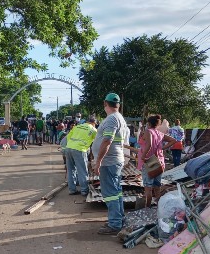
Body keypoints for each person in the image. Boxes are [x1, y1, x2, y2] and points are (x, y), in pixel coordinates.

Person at [91, 92, 130, 235]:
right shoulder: (119, 117)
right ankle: (119, 219)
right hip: (115, 160)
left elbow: (107, 140)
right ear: (118, 105)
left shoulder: (112, 119)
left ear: (105, 104)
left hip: (109, 161)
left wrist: (98, 162)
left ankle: (114, 224)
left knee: (111, 193)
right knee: (116, 191)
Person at [138, 115, 177, 207]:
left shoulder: (148, 131)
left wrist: (143, 156)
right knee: (157, 187)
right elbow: (173, 140)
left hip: (150, 162)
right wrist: (161, 148)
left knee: (148, 189)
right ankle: (158, 207)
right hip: (160, 162)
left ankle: (147, 208)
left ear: (149, 123)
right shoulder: (159, 133)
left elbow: (149, 144)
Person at [65, 116, 97, 196]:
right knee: (82, 170)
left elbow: (68, 137)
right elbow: (97, 142)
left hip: (69, 148)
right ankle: (84, 191)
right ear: (94, 123)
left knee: (71, 169)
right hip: (80, 149)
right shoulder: (93, 130)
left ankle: (72, 190)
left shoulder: (77, 127)